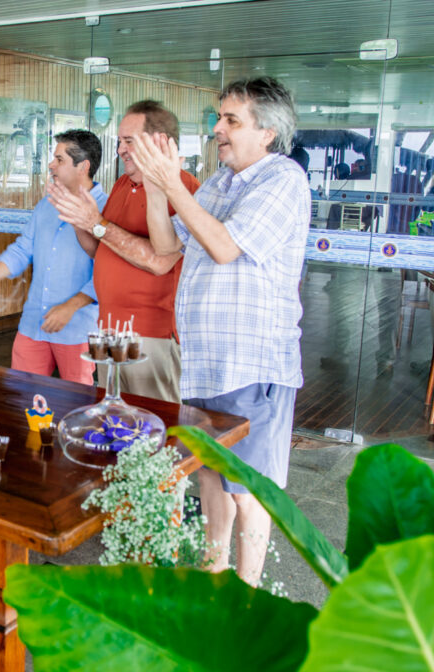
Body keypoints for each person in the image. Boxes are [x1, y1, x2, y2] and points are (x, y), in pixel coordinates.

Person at [129, 76, 311, 586]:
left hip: (252, 363)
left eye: (232, 120)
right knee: (210, 473)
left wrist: (171, 184)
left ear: (268, 132)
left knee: (247, 489)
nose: (218, 130)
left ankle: (247, 595)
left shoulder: (283, 179)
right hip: (206, 362)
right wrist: (154, 186)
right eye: (218, 119)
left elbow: (226, 246)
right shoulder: (220, 181)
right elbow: (167, 247)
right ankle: (215, 572)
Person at [49, 100, 200, 403]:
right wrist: (81, 220)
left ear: (160, 142)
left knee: (155, 429)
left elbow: (159, 262)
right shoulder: (122, 184)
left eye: (128, 141)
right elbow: (101, 250)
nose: (119, 150)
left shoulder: (185, 189)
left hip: (152, 335)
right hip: (108, 330)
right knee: (113, 420)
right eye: (119, 141)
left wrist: (98, 223)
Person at [0, 130, 105, 384]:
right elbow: (21, 251)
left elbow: (108, 273)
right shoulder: (45, 206)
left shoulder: (106, 210)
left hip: (77, 330)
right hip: (33, 324)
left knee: (77, 409)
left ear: (83, 167)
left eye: (59, 159)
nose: (51, 165)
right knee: (22, 402)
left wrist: (70, 307)